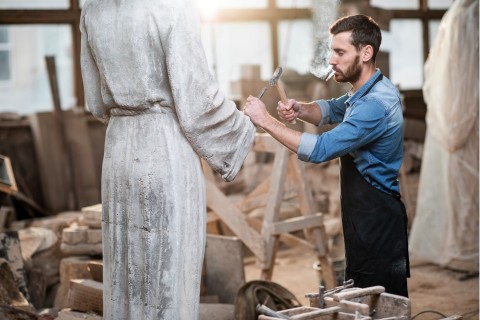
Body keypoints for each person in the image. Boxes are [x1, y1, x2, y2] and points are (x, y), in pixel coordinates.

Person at [80, 0, 255, 319]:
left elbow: (94, 100)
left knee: (124, 272)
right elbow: (196, 97)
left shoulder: (92, 10)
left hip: (118, 146)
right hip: (163, 146)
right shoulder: (173, 6)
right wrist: (241, 127)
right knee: (168, 272)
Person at [244, 14, 409, 297]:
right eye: (332, 51)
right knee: (362, 300)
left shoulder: (376, 104)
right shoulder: (366, 91)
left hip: (378, 221)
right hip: (363, 217)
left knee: (383, 305)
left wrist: (266, 121)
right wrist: (301, 109)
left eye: (340, 52)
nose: (332, 59)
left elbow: (321, 150)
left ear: (366, 52)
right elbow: (333, 108)